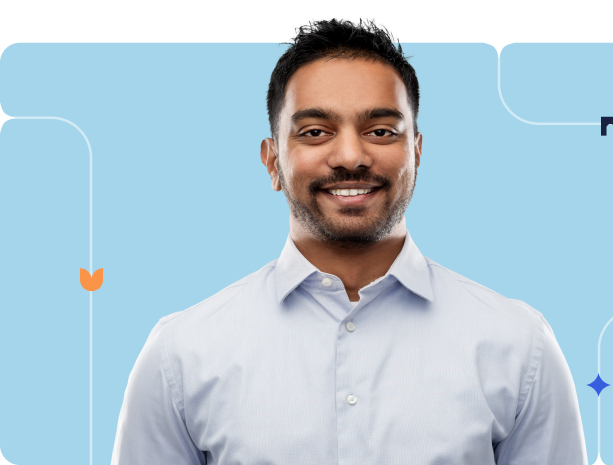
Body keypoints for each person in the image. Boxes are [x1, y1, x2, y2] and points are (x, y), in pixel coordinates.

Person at [111, 18, 588, 465]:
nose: (350, 156)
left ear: (416, 153)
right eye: (316, 132)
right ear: (272, 160)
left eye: (380, 131)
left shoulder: (519, 345)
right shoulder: (182, 353)